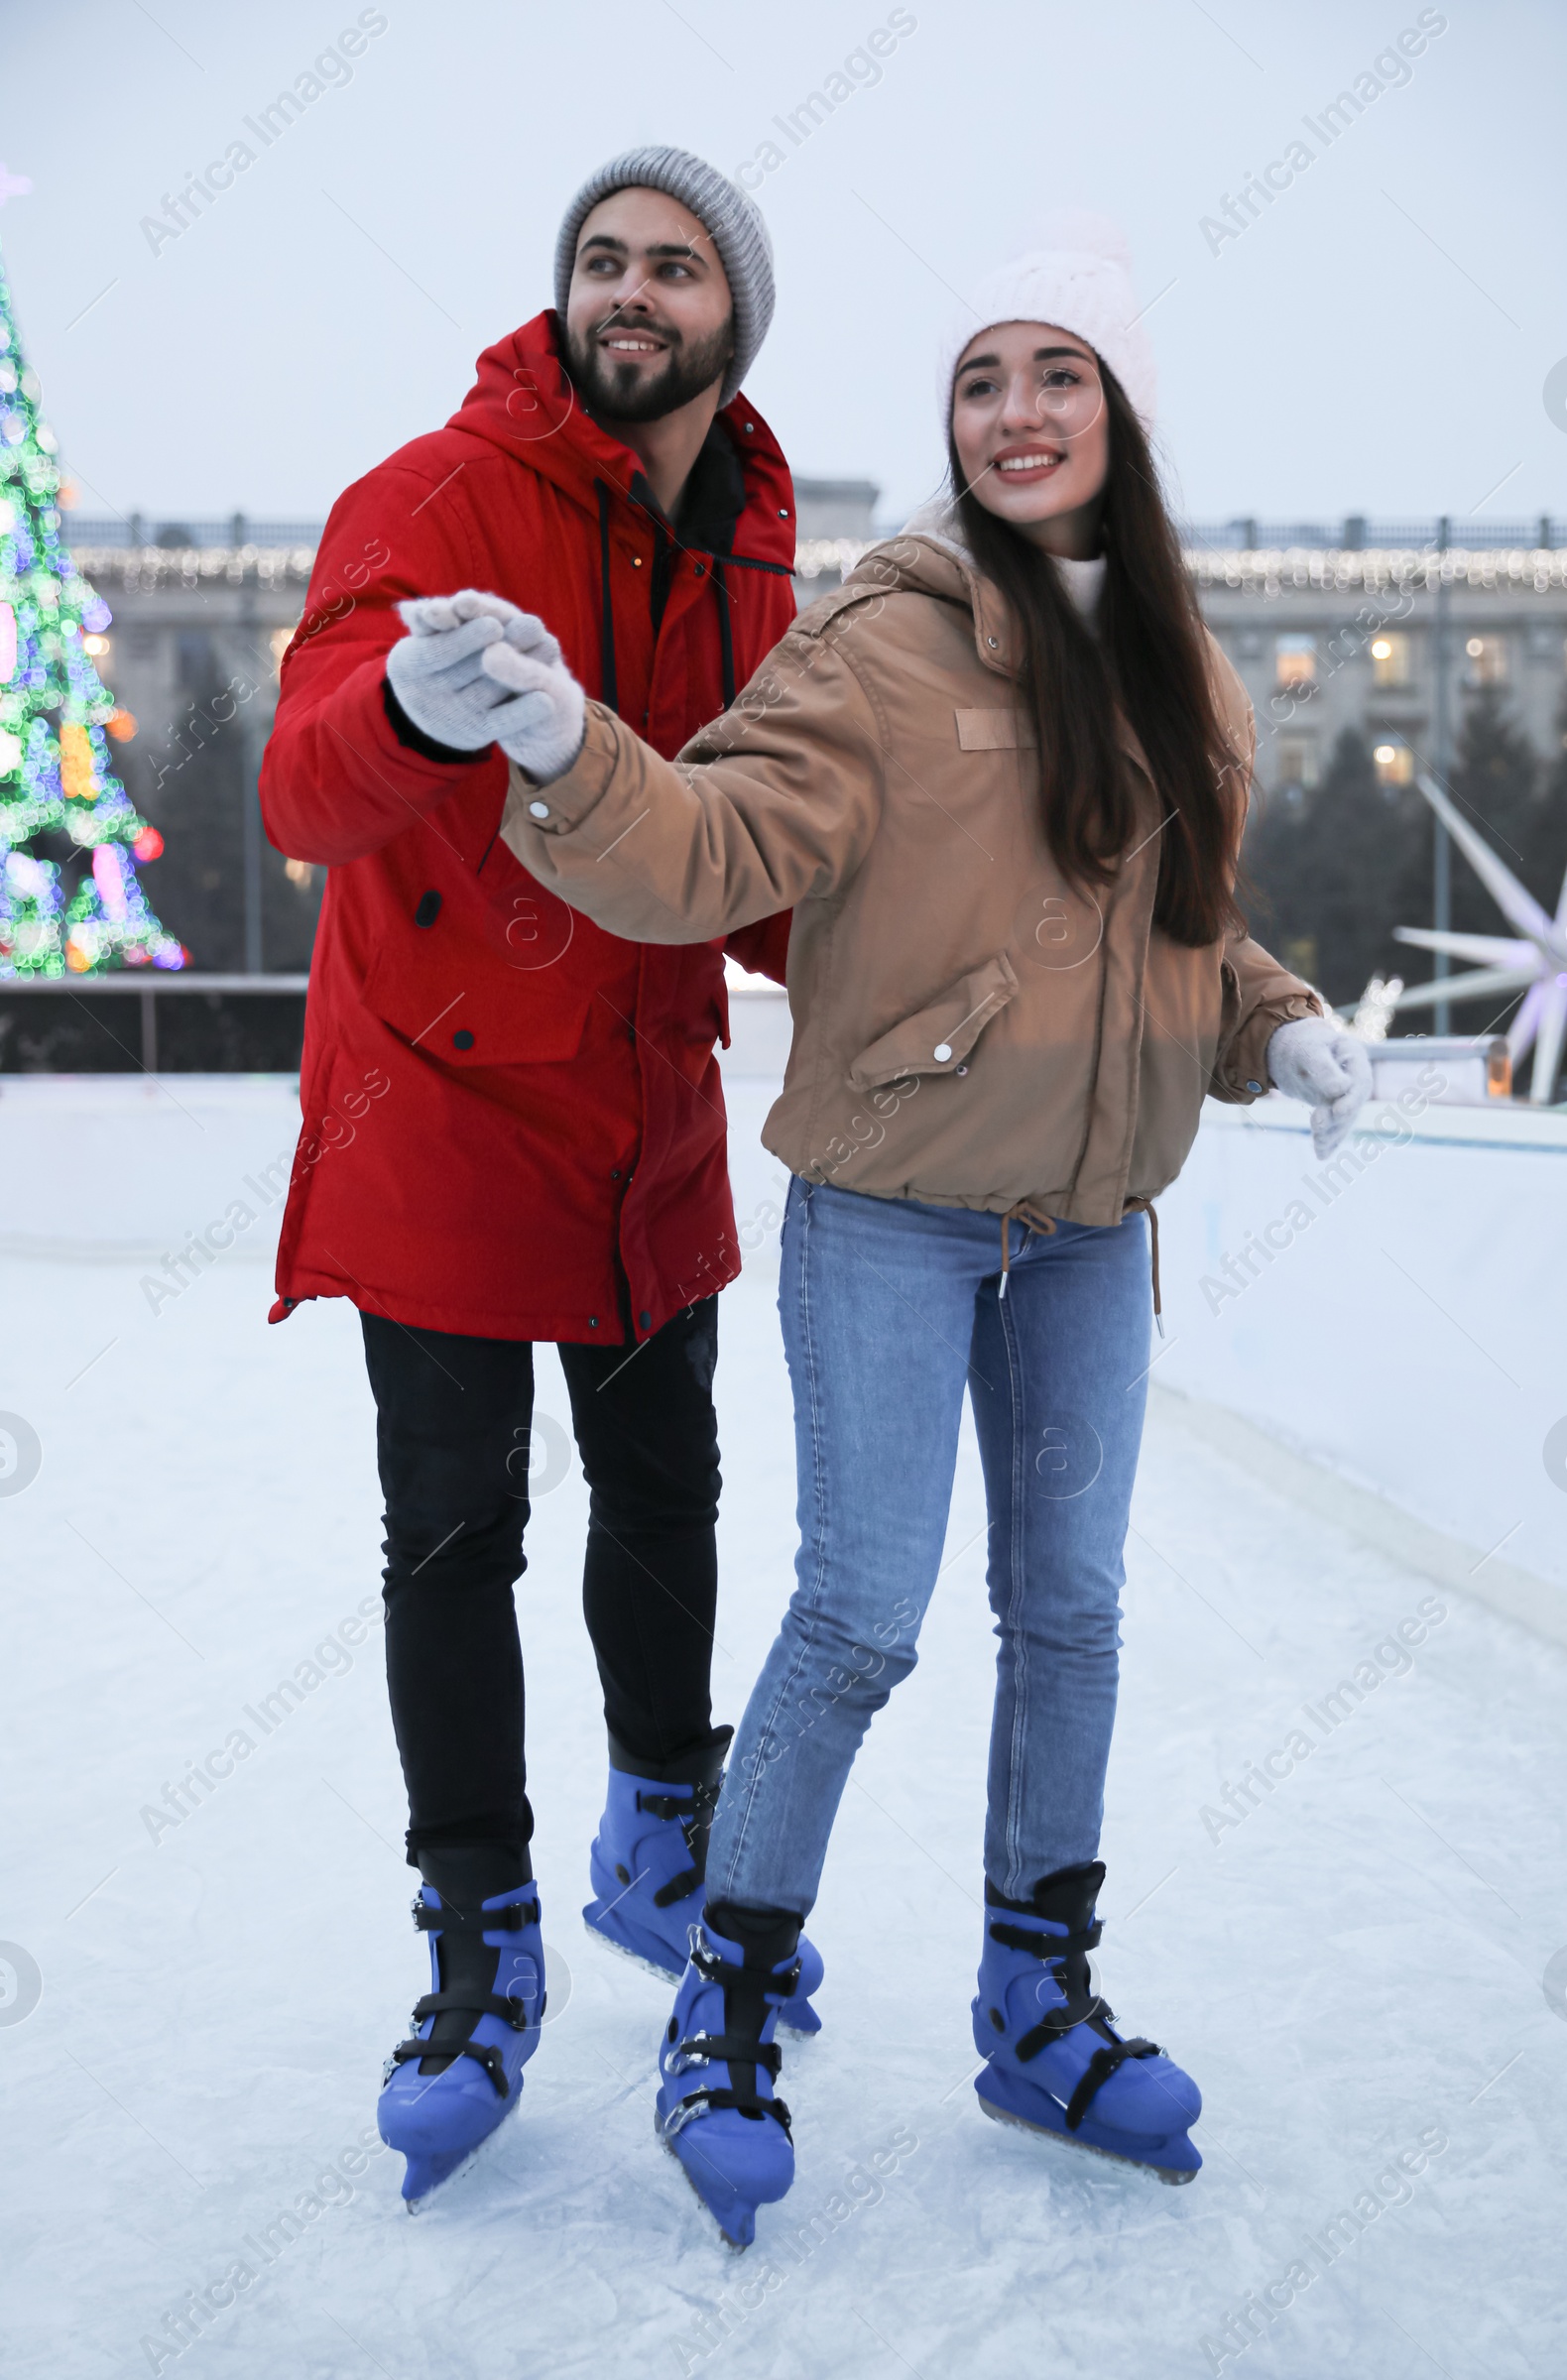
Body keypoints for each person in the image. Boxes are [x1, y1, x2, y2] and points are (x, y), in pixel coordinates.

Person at [398, 215, 1374, 2240]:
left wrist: (1267, 1025)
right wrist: (573, 750)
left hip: (1091, 1230)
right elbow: (714, 843)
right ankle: (725, 2003)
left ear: (1119, 415)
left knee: (1074, 1619)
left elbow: (1169, 929)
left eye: (1056, 375)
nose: (1015, 414)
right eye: (979, 381)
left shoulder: (1187, 671)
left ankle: (1037, 2001)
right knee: (855, 1617)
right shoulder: (882, 636)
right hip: (895, 1213)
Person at [257, 146, 823, 2207]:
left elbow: (749, 845)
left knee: (669, 1486)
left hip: (643, 1102)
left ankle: (653, 1831)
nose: (628, 294)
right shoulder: (436, 494)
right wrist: (405, 706)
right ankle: (474, 1930)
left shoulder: (760, 544)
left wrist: (915, 941)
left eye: (672, 268)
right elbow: (303, 777)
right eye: (602, 260)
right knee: (451, 1527)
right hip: (435, 1095)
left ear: (729, 319)